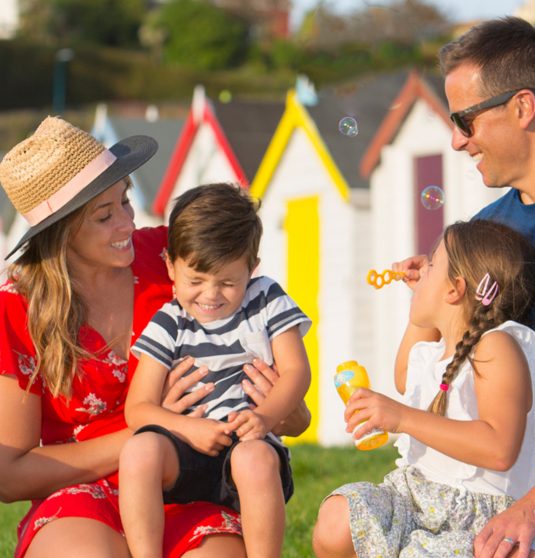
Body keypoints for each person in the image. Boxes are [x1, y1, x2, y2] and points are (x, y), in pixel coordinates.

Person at [0, 116, 310, 558]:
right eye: (105, 216)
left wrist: (286, 414)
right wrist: (158, 425)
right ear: (61, 230)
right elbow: (9, 476)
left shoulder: (172, 260)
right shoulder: (16, 309)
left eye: (125, 201)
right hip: (80, 496)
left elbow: (290, 409)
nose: (128, 223)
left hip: (192, 480)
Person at [399, 16, 535, 558]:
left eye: (466, 120)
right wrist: (431, 306)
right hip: (491, 485)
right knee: (347, 530)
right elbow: (444, 374)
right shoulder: (487, 230)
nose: (457, 141)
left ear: (523, 107)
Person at [312, 219, 535, 558]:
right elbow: (405, 376)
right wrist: (424, 296)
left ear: (455, 289)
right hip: (413, 500)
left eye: (432, 263)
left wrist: (402, 418)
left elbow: (500, 448)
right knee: (338, 518)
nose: (421, 269)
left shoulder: (497, 347)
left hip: (475, 521)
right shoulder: (438, 352)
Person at [119, 183, 311, 558]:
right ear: (171, 266)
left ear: (252, 268)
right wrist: (190, 428)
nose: (210, 295)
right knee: (139, 450)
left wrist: (265, 417)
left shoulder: (265, 298)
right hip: (187, 449)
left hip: (250, 447)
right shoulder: (169, 321)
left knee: (251, 459)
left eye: (227, 282)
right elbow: (138, 409)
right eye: (195, 281)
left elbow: (296, 372)